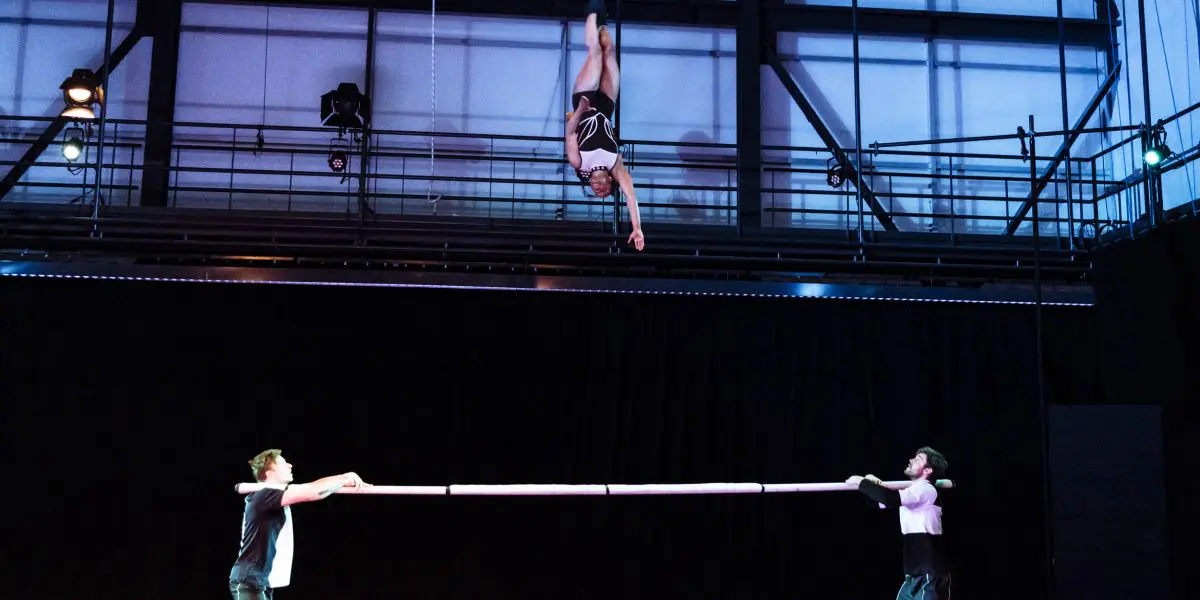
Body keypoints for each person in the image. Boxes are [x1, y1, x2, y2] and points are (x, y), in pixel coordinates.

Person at [228, 449, 370, 599]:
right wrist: (343, 480)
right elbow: (311, 493)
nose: (290, 465)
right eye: (283, 463)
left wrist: (345, 476)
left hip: (260, 582)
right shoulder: (264, 495)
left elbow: (310, 487)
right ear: (269, 473)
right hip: (248, 581)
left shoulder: (271, 494)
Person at [565, 0, 645, 251]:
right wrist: (637, 227)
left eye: (594, 190)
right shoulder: (616, 166)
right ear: (610, 185)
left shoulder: (579, 163)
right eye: (603, 192)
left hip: (584, 103)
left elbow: (569, 132)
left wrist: (579, 111)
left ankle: (591, 8)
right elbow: (631, 197)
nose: (597, 189)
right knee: (609, 51)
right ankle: (604, 20)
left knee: (596, 54)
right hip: (607, 107)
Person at [846, 447, 951, 600]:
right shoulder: (912, 493)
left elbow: (890, 498)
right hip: (914, 573)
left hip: (929, 572)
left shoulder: (926, 489)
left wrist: (862, 482)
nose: (911, 460)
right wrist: (871, 485)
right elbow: (879, 502)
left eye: (918, 459)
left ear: (928, 470)